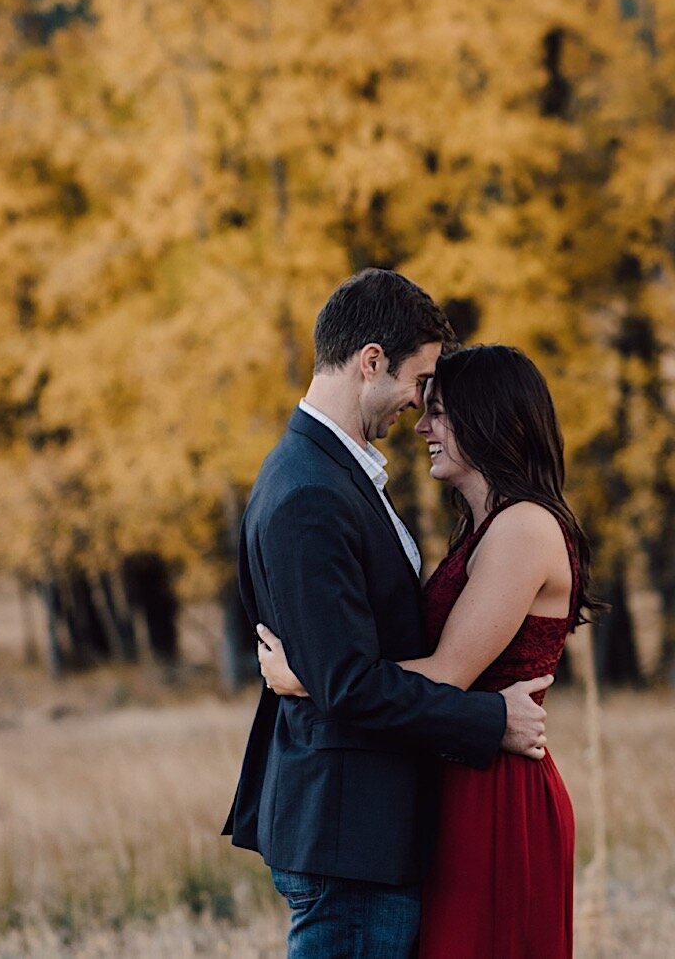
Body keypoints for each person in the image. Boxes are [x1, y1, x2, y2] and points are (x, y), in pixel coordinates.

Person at [224, 270, 554, 958]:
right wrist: (493, 720)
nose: (421, 405)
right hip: (351, 830)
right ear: (371, 361)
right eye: (420, 381)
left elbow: (338, 672)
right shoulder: (311, 491)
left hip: (364, 826)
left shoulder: (328, 475)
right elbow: (349, 681)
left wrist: (307, 676)